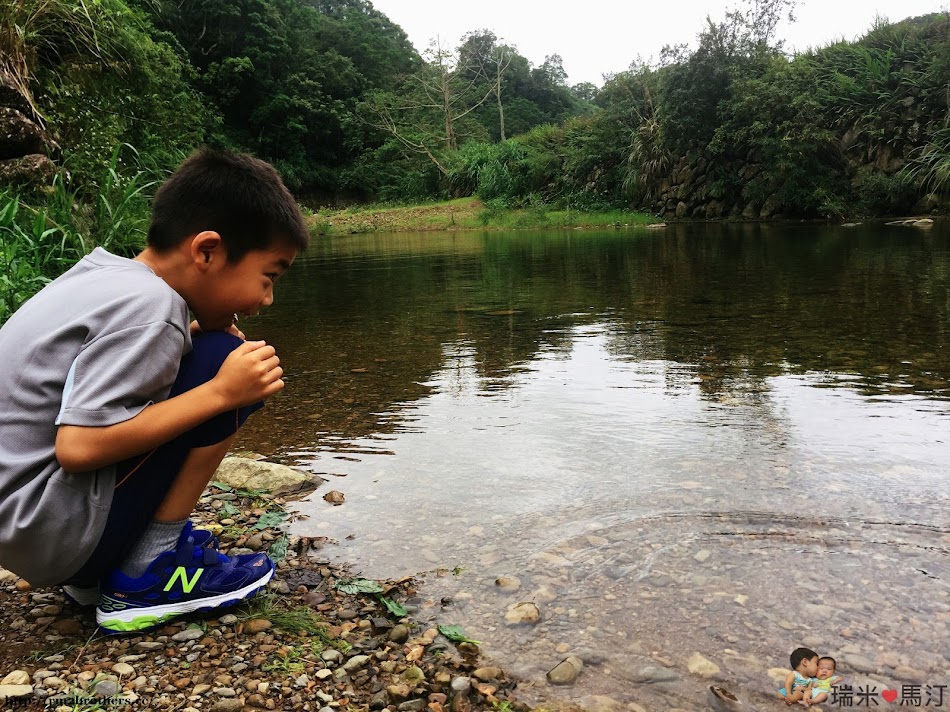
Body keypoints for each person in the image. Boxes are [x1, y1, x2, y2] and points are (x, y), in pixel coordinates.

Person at [0, 148, 309, 633]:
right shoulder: (152, 308)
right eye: (268, 277)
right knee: (228, 368)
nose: (266, 300)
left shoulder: (106, 277)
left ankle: (99, 573)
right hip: (49, 534)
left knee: (210, 357)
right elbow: (79, 448)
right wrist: (223, 392)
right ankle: (146, 573)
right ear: (207, 251)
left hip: (24, 528)